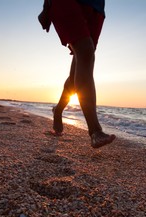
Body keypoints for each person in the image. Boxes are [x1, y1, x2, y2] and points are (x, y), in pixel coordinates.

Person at [38, 0, 116, 148]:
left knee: (80, 64)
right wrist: (45, 5)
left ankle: (58, 110)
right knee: (85, 52)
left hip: (96, 7)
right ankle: (95, 131)